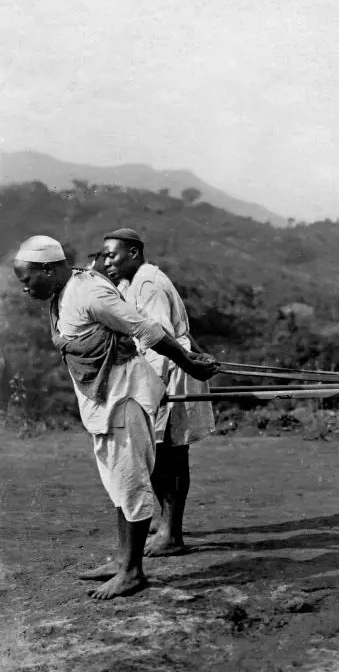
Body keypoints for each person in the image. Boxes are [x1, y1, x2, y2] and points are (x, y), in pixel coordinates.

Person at [12, 235, 219, 599]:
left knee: (131, 481)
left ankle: (132, 572)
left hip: (124, 398)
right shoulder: (66, 293)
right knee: (118, 484)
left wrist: (188, 362)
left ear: (48, 269)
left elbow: (147, 328)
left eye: (28, 279)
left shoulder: (89, 293)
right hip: (104, 400)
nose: (25, 288)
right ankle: (123, 559)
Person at [102, 228, 215, 557]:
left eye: (113, 255)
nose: (107, 262)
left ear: (134, 253)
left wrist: (152, 388)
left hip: (167, 370)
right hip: (163, 367)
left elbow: (159, 337)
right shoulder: (133, 281)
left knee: (170, 454)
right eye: (104, 256)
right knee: (157, 453)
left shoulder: (148, 282)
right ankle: (164, 522)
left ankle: (171, 533)